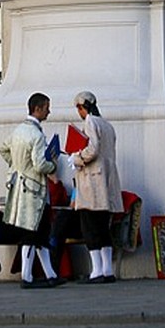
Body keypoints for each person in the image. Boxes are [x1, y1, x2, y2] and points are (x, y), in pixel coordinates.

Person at [0, 92, 65, 288]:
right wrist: (52, 165)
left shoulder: (18, 130)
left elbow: (3, 149)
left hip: (19, 186)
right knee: (32, 232)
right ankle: (27, 277)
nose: (48, 111)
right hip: (34, 189)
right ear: (37, 108)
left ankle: (50, 274)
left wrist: (17, 167)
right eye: (46, 107)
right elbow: (39, 165)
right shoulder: (36, 134)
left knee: (39, 234)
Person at [69, 90, 123, 283]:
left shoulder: (90, 122)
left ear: (82, 107)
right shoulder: (107, 125)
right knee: (103, 227)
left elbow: (92, 149)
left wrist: (76, 158)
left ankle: (97, 271)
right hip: (106, 180)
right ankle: (107, 270)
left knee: (90, 226)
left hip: (92, 180)